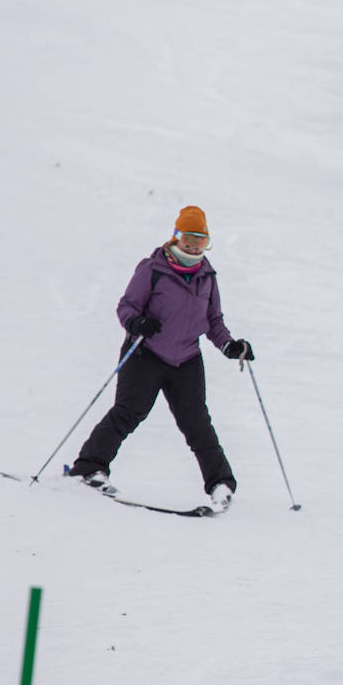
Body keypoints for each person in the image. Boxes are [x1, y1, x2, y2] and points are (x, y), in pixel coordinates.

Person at [67, 206, 253, 512]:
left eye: (201, 239)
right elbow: (126, 307)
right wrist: (136, 323)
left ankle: (221, 484)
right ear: (176, 237)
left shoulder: (207, 276)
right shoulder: (152, 269)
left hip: (187, 359)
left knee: (197, 422)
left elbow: (214, 320)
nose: (194, 245)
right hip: (146, 354)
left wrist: (230, 346)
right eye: (188, 238)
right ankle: (89, 468)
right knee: (129, 412)